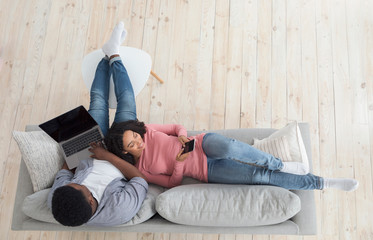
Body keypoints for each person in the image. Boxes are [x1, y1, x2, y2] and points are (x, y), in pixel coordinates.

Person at [95, 23, 358, 193]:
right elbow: (172, 182)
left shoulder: (149, 131)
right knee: (258, 177)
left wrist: (184, 136)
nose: (139, 142)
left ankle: (279, 163)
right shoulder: (142, 169)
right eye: (133, 145)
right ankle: (322, 183)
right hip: (204, 170)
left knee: (232, 147)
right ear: (126, 152)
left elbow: (176, 127)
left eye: (136, 137)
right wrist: (179, 163)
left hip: (202, 144)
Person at [47, 22, 148, 227]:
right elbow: (140, 180)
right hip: (121, 155)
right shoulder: (118, 209)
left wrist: (77, 147)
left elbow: (65, 172)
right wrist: (107, 156)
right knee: (127, 102)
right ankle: (113, 55)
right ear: (91, 200)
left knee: (97, 101)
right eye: (78, 185)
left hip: (89, 152)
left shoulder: (58, 200)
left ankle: (107, 54)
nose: (73, 183)